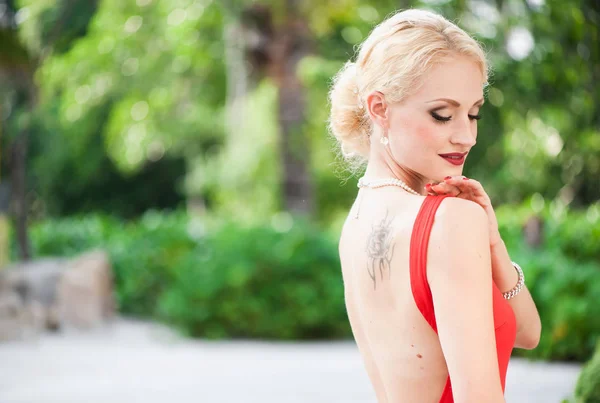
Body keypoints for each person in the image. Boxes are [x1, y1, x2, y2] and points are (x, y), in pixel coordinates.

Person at [328, 9, 542, 403]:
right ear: (380, 109)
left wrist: (493, 243)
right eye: (442, 114)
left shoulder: (355, 224)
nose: (466, 136)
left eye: (474, 113)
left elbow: (528, 333)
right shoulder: (449, 220)